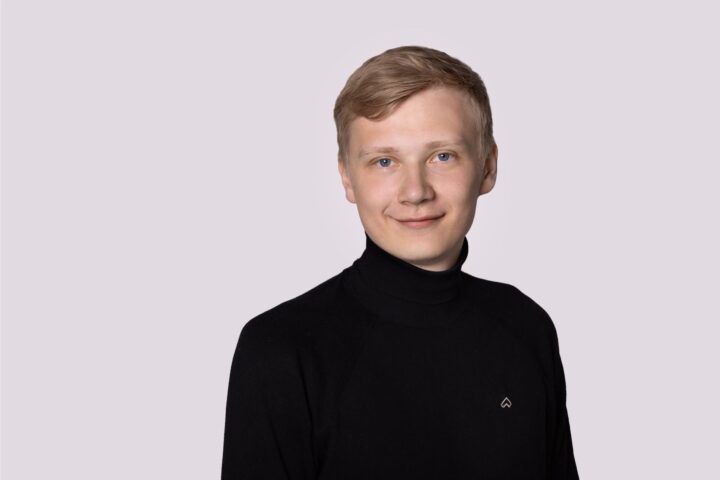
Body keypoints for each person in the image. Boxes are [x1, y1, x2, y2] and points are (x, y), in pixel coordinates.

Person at [221, 45, 580, 479]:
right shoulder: (281, 352)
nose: (415, 192)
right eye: (384, 161)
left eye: (442, 156)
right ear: (347, 177)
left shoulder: (525, 327)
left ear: (487, 166)